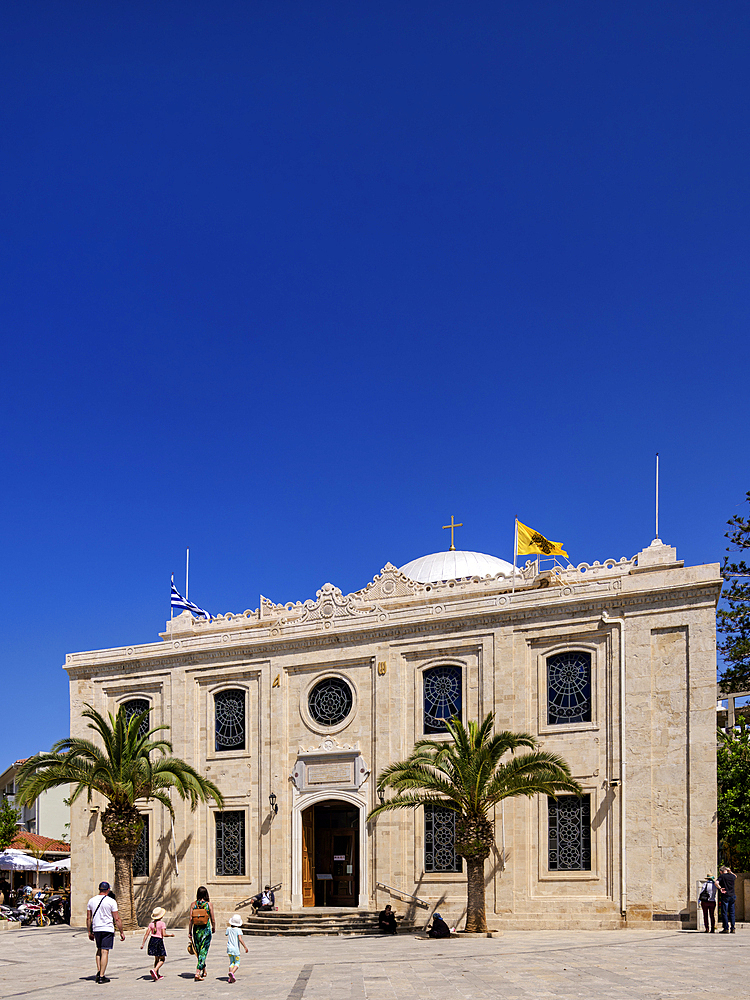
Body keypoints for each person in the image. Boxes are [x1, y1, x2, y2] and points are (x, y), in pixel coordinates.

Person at [86, 881, 125, 984]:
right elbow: (117, 918)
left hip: (97, 928)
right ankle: (102, 976)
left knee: (99, 950)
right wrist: (121, 931)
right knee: (105, 951)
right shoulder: (111, 901)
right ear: (108, 890)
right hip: (107, 928)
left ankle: (99, 972)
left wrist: (89, 931)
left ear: (99, 889)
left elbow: (88, 918)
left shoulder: (91, 901)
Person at [188, 886, 216, 981]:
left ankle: (204, 970)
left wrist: (189, 931)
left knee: (200, 951)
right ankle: (197, 972)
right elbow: (212, 918)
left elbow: (191, 919)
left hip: (196, 931)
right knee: (203, 951)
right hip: (206, 931)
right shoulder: (209, 904)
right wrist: (213, 927)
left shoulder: (193, 904)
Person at [140, 906, 174, 980]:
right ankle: (155, 970)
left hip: (152, 940)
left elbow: (146, 934)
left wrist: (143, 944)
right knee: (162, 959)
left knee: (156, 959)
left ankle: (157, 975)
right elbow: (164, 934)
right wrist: (170, 935)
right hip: (159, 941)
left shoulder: (151, 924)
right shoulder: (162, 924)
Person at [225, 914, 248, 983]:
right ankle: (232, 973)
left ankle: (230, 977)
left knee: (232, 962)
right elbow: (240, 939)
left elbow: (226, 934)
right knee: (237, 963)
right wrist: (245, 946)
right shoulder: (238, 930)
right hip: (236, 949)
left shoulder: (228, 929)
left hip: (229, 948)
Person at [717, 865, 737, 933]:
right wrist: (730, 871)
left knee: (724, 912)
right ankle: (733, 928)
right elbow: (735, 876)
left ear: (721, 871)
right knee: (732, 912)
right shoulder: (732, 876)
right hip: (733, 895)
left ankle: (726, 928)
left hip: (725, 895)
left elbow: (716, 883)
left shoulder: (722, 876)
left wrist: (720, 888)